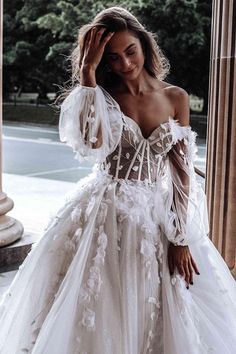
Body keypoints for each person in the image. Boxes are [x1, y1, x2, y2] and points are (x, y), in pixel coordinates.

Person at [0, 6, 236, 354]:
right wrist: (86, 74)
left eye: (131, 51)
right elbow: (91, 143)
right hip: (104, 209)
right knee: (100, 302)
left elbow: (182, 175)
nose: (125, 64)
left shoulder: (176, 98)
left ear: (144, 45)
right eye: (112, 58)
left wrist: (180, 237)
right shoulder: (102, 98)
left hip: (156, 216)